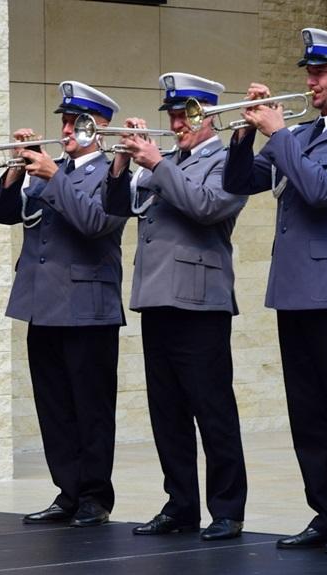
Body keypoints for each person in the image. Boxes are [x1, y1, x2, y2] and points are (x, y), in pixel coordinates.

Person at [223, 28, 327, 553]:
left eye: (321, 72)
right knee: (309, 413)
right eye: (310, 73)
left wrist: (278, 133)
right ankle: (326, 510)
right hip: (294, 289)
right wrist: (245, 134)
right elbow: (239, 183)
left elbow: (321, 191)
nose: (312, 81)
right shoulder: (300, 133)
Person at [103, 73, 248, 541]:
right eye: (172, 115)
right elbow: (117, 208)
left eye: (187, 115)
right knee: (166, 411)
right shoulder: (164, 162)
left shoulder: (227, 161)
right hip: (157, 296)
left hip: (200, 301)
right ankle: (180, 504)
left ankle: (227, 509)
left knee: (212, 409)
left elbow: (207, 207)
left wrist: (158, 163)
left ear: (209, 116)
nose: (177, 123)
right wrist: (121, 163)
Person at [0, 81, 126, 528]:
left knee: (91, 406)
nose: (66, 130)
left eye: (75, 122)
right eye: (64, 122)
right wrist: (15, 172)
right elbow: (1, 213)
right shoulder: (52, 170)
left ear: (100, 127)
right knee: (54, 406)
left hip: (88, 305)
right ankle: (68, 491)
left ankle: (95, 496)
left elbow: (95, 222)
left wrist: (52, 175)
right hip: (42, 302)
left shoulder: (113, 172)